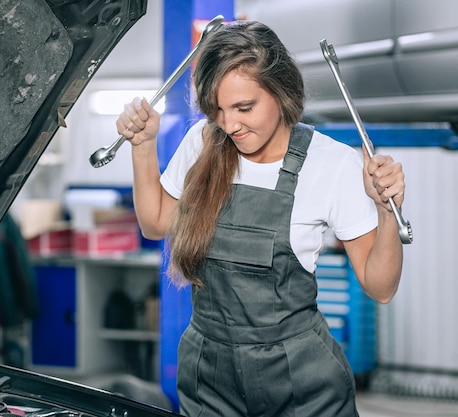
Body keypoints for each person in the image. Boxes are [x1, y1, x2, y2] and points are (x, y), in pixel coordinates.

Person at [115, 20, 405, 417]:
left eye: (244, 108)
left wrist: (387, 211)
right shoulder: (203, 142)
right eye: (217, 109)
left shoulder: (332, 164)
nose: (229, 124)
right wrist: (143, 146)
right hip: (209, 375)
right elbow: (154, 223)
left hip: (302, 384)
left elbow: (380, 287)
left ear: (281, 93)